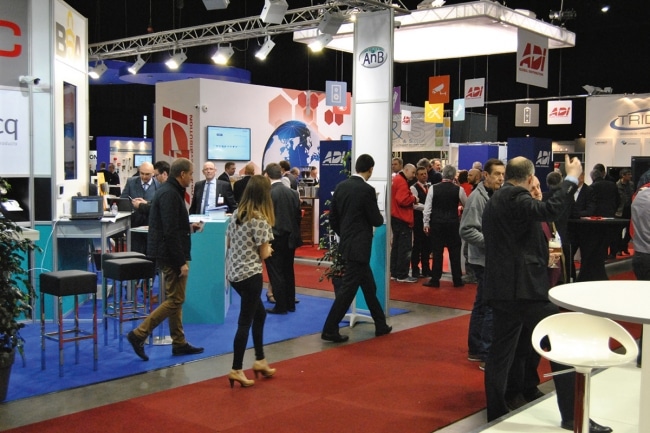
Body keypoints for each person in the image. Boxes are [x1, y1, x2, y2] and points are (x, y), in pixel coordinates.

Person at [482, 155, 612, 433]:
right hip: (524, 290)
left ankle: (496, 412)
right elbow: (550, 210)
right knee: (560, 343)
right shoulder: (514, 196)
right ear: (530, 177)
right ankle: (573, 416)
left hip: (504, 289)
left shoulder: (497, 199)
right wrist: (570, 178)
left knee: (500, 353)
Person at [127, 158, 204, 361]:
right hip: (171, 256)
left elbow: (171, 225)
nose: (192, 178)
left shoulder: (168, 191)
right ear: (182, 174)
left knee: (175, 299)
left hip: (168, 253)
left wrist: (189, 227)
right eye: (190, 174)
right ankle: (139, 333)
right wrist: (181, 262)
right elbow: (169, 232)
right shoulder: (170, 193)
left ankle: (179, 342)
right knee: (175, 300)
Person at [321, 154, 392, 342]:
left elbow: (333, 219)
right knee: (348, 291)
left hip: (348, 245)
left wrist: (345, 235)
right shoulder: (367, 190)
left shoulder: (340, 186)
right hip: (360, 247)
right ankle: (329, 329)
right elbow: (376, 219)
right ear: (370, 169)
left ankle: (380, 324)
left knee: (369, 286)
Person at [225, 175, 277, 388]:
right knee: (244, 322)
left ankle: (260, 360)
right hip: (251, 275)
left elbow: (229, 243)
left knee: (259, 314)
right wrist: (270, 249)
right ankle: (236, 369)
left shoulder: (236, 214)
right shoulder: (260, 219)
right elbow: (264, 254)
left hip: (234, 274)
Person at [459, 158, 505, 369]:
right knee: (489, 307)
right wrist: (493, 242)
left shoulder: (493, 195)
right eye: (497, 174)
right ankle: (486, 353)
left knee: (482, 305)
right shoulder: (477, 198)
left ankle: (476, 349)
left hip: (488, 258)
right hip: (483, 259)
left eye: (503, 174)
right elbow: (466, 230)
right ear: (486, 175)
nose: (501, 178)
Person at [264, 162, 302, 314]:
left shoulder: (267, 194)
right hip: (290, 238)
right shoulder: (293, 194)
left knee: (276, 272)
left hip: (274, 238)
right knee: (288, 271)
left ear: (267, 175)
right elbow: (298, 217)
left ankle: (280, 306)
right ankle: (290, 304)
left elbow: (264, 218)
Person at [423, 164, 467, 287]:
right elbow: (467, 204)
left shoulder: (433, 188)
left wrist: (426, 223)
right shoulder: (459, 189)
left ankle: (435, 279)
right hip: (453, 223)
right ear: (454, 176)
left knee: (437, 252)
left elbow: (427, 209)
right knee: (455, 251)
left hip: (437, 223)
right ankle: (457, 279)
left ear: (443, 174)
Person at [121, 161, 159, 254]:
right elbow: (123, 200)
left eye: (147, 174)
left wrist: (145, 204)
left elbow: (159, 205)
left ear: (153, 173)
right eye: (142, 173)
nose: (144, 176)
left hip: (151, 226)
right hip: (134, 225)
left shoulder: (158, 185)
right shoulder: (131, 182)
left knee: (150, 254)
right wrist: (132, 204)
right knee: (135, 254)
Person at [390, 163, 418, 283]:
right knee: (404, 248)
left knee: (396, 247)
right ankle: (402, 274)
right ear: (406, 170)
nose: (414, 175)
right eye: (413, 172)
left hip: (396, 217)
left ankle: (395, 273)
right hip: (402, 218)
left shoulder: (397, 179)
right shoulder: (401, 181)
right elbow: (402, 200)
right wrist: (414, 199)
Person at [590, 168, 620, 259]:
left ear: (593, 177)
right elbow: (618, 199)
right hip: (611, 213)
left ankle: (603, 254)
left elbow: (592, 202)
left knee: (601, 236)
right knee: (612, 234)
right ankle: (613, 252)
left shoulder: (592, 187)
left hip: (598, 215)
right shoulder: (612, 185)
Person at [410, 166, 431, 278]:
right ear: (417, 176)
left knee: (427, 245)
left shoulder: (430, 187)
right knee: (417, 245)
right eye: (421, 174)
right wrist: (427, 208)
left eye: (425, 173)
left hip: (428, 220)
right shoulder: (413, 188)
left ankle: (426, 268)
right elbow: (414, 205)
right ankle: (415, 269)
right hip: (418, 220)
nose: (424, 176)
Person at [615, 167, 634, 255]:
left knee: (630, 230)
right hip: (620, 210)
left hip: (629, 210)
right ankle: (619, 248)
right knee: (618, 231)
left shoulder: (631, 185)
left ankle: (624, 245)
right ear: (623, 175)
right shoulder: (616, 185)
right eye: (628, 174)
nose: (630, 176)